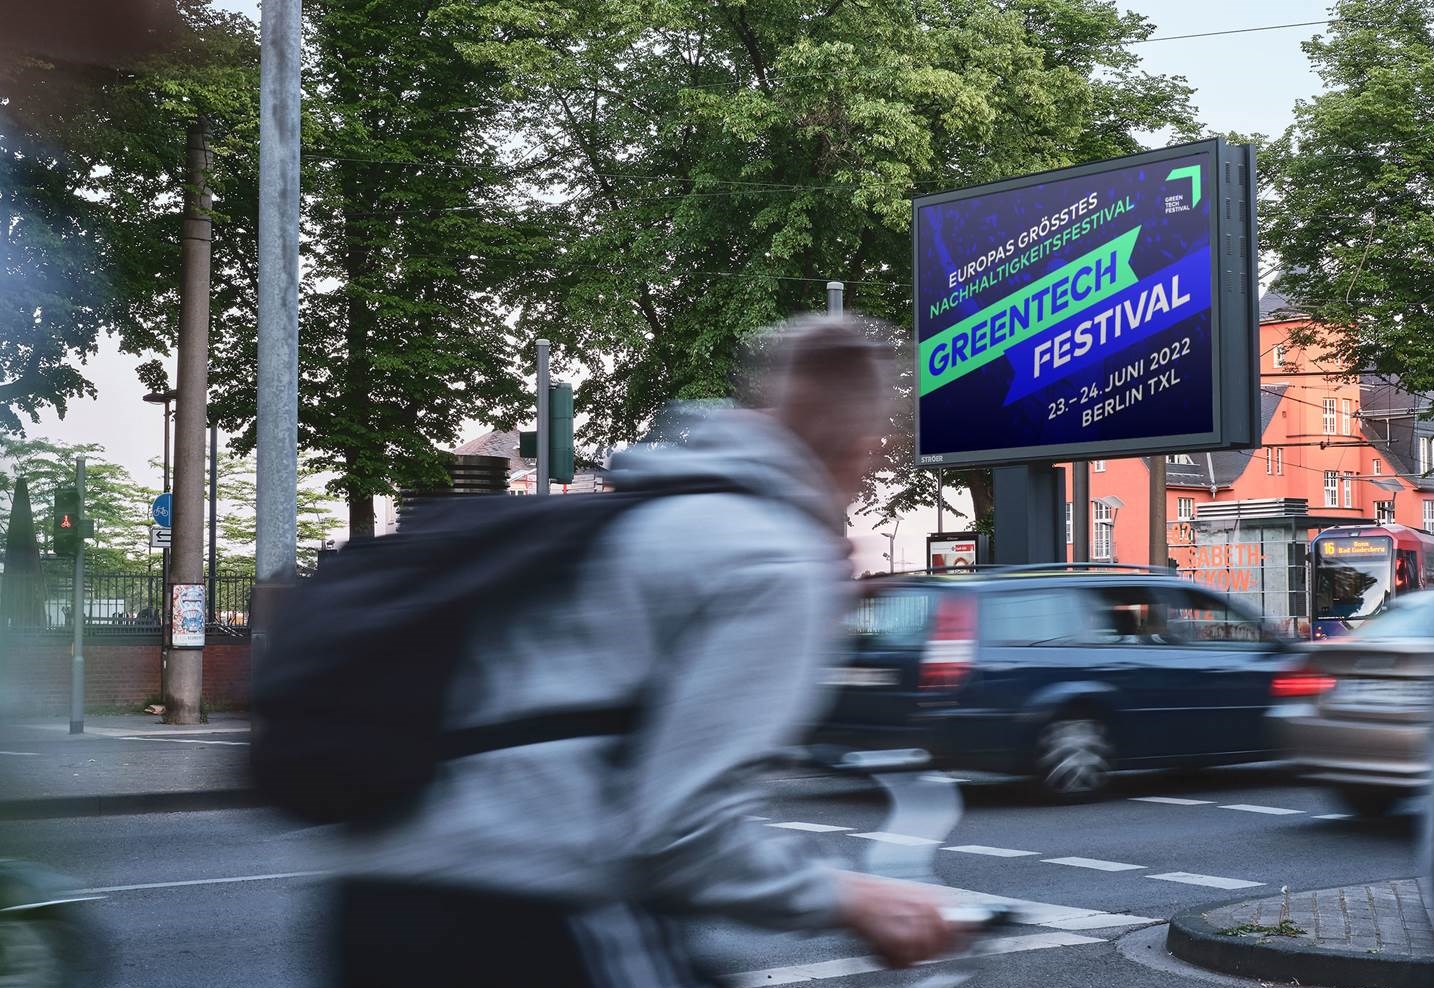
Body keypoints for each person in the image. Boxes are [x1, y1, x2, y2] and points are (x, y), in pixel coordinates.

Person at [332, 313, 962, 987]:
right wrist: (854, 899)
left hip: (372, 896)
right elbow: (683, 835)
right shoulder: (772, 558)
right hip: (523, 904)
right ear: (866, 449)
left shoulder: (645, 509)